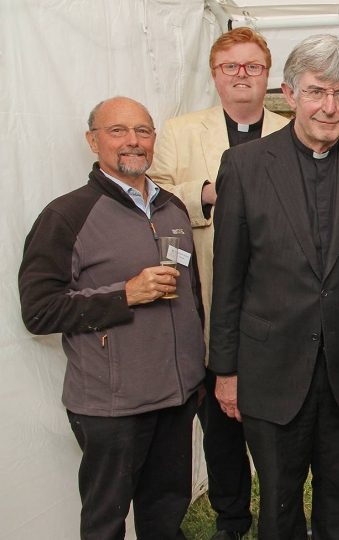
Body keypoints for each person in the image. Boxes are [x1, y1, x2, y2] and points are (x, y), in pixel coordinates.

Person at [208, 34, 339, 540]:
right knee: (278, 504)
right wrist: (225, 370)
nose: (330, 107)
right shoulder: (245, 165)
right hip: (270, 370)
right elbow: (227, 280)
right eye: (318, 92)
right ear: (290, 94)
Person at [18, 97, 205, 540]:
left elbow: (192, 297)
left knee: (165, 514)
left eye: (143, 130)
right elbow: (39, 310)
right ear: (92, 140)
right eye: (118, 130)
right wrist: (126, 295)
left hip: (175, 399)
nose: (133, 141)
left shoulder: (172, 208)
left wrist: (197, 374)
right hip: (112, 407)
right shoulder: (66, 216)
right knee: (106, 522)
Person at [147, 27, 289, 540]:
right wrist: (205, 193)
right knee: (221, 425)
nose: (242, 75)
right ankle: (232, 519)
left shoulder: (291, 129)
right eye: (231, 67)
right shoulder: (181, 130)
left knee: (276, 430)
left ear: (268, 75)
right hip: (209, 301)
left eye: (252, 66)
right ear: (215, 76)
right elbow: (154, 196)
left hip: (276, 306)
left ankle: (280, 514)